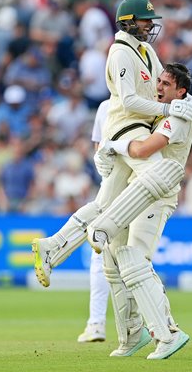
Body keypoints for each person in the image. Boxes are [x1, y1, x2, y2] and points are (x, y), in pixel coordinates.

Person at [32, 0, 192, 350]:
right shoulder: (120, 52)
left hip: (139, 129)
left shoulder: (145, 51)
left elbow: (167, 85)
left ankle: (52, 249)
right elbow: (129, 102)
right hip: (128, 129)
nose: (150, 26)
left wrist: (191, 105)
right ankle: (105, 233)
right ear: (128, 21)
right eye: (144, 21)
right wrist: (171, 106)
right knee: (160, 178)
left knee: (103, 202)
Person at [86, 62, 192, 360]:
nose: (159, 87)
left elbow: (142, 150)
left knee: (134, 261)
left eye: (167, 84)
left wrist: (113, 146)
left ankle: (168, 333)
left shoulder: (176, 116)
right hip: (138, 191)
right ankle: (131, 336)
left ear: (181, 91)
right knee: (113, 260)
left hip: (158, 194)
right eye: (159, 81)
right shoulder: (161, 109)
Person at [77, 99, 110, 343]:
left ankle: (97, 323)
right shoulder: (105, 107)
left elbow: (100, 151)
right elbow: (98, 150)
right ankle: (152, 327)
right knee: (132, 260)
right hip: (114, 188)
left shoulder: (110, 106)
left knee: (101, 257)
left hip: (119, 191)